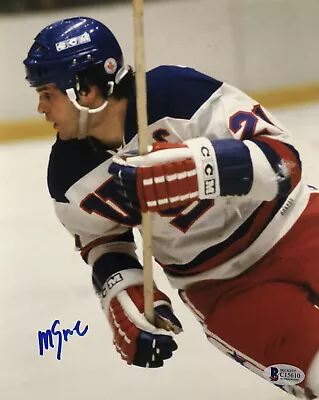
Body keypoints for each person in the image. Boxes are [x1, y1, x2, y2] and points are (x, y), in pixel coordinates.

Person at [23, 16, 319, 399]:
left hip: (297, 225)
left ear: (87, 90)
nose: (41, 108)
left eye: (48, 94)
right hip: (222, 290)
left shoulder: (173, 92)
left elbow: (284, 161)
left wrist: (196, 171)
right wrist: (124, 293)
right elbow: (103, 243)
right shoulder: (68, 175)